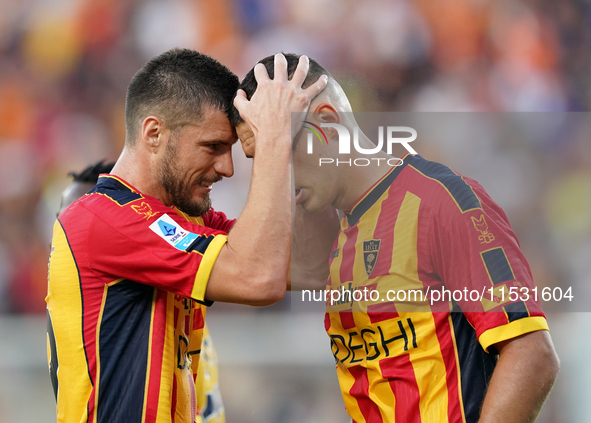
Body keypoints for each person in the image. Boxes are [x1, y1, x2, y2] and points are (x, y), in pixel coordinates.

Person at [233, 54, 560, 423]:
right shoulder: (330, 232)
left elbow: (532, 353)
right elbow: (260, 273)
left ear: (327, 121)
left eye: (280, 148)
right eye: (261, 158)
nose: (273, 171)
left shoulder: (439, 201)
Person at [46, 49, 327, 422]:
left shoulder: (181, 218)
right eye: (212, 147)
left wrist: (296, 151)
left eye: (229, 151)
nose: (227, 168)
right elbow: (259, 278)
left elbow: (309, 264)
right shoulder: (102, 220)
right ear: (154, 133)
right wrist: (274, 141)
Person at [56, 160, 225, 423]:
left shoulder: (171, 326)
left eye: (69, 221)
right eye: (60, 221)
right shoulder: (76, 310)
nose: (62, 237)